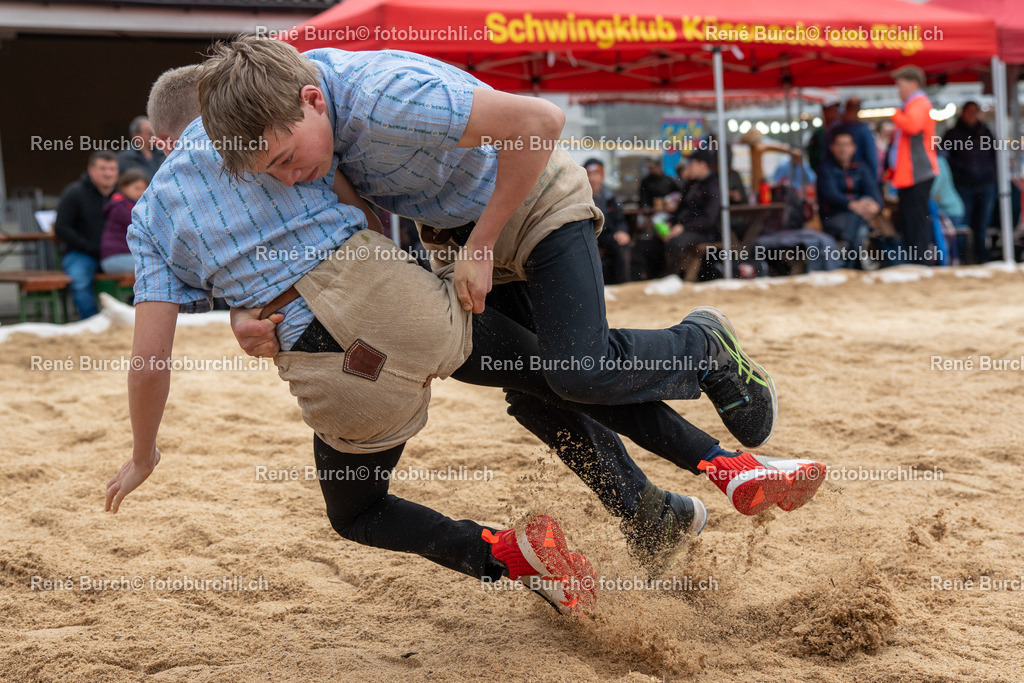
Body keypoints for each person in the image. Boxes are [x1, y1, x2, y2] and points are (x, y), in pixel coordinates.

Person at [107, 66, 828, 618]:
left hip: (378, 339)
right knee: (552, 379)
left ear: (166, 140)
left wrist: (145, 451)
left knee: (362, 508)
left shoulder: (186, 190)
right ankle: (704, 476)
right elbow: (333, 213)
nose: (271, 168)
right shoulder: (268, 134)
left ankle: (510, 550)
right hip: (409, 295)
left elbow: (151, 359)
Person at [197, 38, 782, 446]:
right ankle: (649, 514)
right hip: (457, 231)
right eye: (269, 172)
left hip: (535, 199)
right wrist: (254, 311)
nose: (288, 177)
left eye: (285, 160)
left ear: (312, 100)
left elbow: (539, 123)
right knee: (534, 391)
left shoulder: (388, 99)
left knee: (577, 369)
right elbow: (357, 230)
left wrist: (480, 246)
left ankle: (705, 347)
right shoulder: (302, 124)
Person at [54, 150, 118, 319]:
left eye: (112, 169)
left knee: (145, 275)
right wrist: (87, 247)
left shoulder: (122, 195)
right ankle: (91, 323)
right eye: (103, 168)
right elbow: (61, 228)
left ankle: (128, 322)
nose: (108, 173)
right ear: (91, 169)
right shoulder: (74, 193)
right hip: (81, 253)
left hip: (115, 254)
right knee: (79, 281)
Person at [888, 65, 939, 265]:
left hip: (917, 172)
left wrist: (895, 115)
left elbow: (912, 126)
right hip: (911, 173)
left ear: (913, 84)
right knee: (910, 220)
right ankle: (914, 262)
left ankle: (919, 263)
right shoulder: (915, 103)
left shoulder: (918, 103)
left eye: (900, 85)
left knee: (916, 221)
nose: (898, 90)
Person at [941, 101, 997, 263]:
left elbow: (993, 155)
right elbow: (946, 158)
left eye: (975, 111)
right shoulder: (953, 133)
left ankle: (982, 259)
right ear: (963, 113)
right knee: (963, 224)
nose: (973, 114)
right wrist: (962, 169)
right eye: (969, 111)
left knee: (982, 225)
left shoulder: (985, 131)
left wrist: (989, 171)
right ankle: (963, 259)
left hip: (986, 184)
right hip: (963, 185)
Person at [817, 130, 882, 268]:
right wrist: (852, 205)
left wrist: (874, 205)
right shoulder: (826, 169)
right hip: (834, 216)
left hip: (859, 216)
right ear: (832, 148)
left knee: (860, 223)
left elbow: (873, 191)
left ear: (853, 148)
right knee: (861, 228)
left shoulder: (861, 168)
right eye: (839, 145)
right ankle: (853, 265)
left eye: (846, 145)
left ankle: (846, 262)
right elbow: (830, 194)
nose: (843, 149)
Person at [664, 149, 720, 280]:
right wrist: (671, 223)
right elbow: (681, 209)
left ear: (703, 165)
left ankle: (673, 277)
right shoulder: (691, 184)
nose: (688, 167)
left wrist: (683, 227)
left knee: (676, 243)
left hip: (703, 232)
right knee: (650, 240)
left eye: (691, 164)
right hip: (683, 228)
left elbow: (708, 219)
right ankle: (658, 277)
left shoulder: (713, 185)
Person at [584, 158, 630, 284]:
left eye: (596, 174)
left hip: (607, 234)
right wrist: (590, 235)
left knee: (621, 246)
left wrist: (622, 231)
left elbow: (619, 218)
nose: (593, 178)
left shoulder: (610, 196)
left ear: (602, 175)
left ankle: (621, 285)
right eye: (590, 174)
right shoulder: (581, 196)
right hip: (589, 235)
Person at [99, 169, 149, 274]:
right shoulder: (120, 208)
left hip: (126, 256)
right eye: (136, 188)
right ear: (124, 188)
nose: (141, 192)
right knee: (154, 265)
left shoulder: (134, 205)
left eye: (143, 188)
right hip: (114, 258)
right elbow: (146, 228)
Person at [824, 97, 879, 187]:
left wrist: (871, 183)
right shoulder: (835, 128)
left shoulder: (863, 130)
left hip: (858, 177)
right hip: (836, 175)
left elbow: (871, 158)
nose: (843, 149)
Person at [116, 116, 166, 180]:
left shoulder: (163, 153)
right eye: (149, 133)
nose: (153, 137)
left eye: (154, 133)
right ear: (136, 135)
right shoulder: (124, 158)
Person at [806, 100, 841, 176]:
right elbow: (812, 157)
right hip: (825, 175)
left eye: (836, 110)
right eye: (832, 110)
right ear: (825, 112)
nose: (835, 113)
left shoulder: (843, 131)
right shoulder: (819, 134)